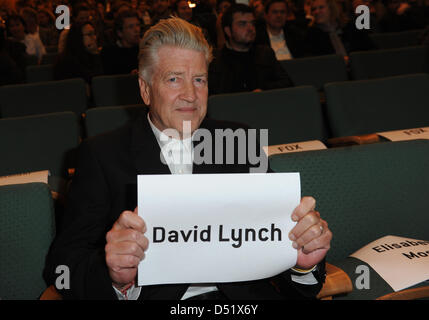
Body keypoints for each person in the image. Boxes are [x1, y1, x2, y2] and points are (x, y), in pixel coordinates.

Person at [43, 17, 332, 300]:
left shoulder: (239, 144)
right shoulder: (102, 156)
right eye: (173, 79)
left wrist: (301, 264)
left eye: (199, 80)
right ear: (145, 89)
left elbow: (285, 263)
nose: (190, 95)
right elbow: (62, 268)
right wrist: (114, 277)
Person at [208, 4, 293, 95]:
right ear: (228, 31)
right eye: (242, 24)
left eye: (252, 23)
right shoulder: (215, 60)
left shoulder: (265, 54)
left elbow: (287, 83)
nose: (250, 28)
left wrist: (264, 90)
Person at [305, 0, 374, 58]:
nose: (316, 12)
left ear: (331, 9)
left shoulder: (350, 27)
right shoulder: (312, 35)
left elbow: (370, 50)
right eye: (314, 9)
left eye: (321, 7)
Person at [100, 9, 141, 75]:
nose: (137, 30)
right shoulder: (109, 53)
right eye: (131, 27)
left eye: (138, 25)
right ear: (120, 33)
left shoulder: (144, 49)